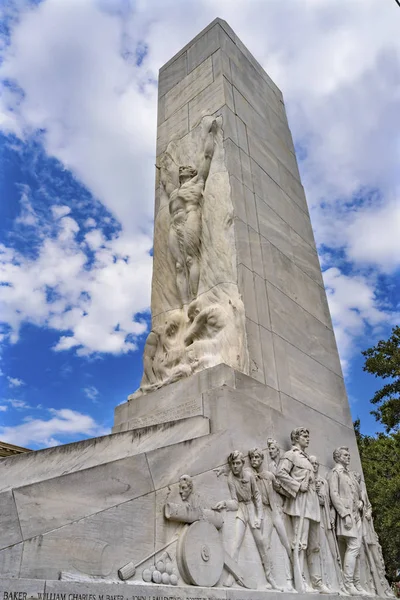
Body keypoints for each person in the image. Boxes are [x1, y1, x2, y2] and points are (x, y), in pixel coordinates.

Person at [161, 120, 218, 305]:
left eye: (185, 169)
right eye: (180, 170)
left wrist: (209, 132)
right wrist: (164, 163)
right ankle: (185, 306)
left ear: (191, 173)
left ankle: (195, 299)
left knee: (191, 259)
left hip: (190, 217)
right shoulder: (174, 192)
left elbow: (207, 156)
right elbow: (165, 181)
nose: (181, 170)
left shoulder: (197, 182)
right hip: (175, 223)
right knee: (179, 265)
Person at [213, 450, 280, 590]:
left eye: (238, 463)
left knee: (261, 543)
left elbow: (257, 496)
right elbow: (235, 502)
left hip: (252, 508)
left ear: (243, 464)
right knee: (236, 543)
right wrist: (225, 503)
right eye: (233, 464)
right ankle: (232, 574)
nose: (236, 466)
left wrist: (258, 516)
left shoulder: (249, 475)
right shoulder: (231, 478)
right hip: (241, 509)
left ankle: (270, 577)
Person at [276, 427, 330, 594]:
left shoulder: (306, 458)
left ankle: (317, 581)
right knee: (300, 544)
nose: (307, 438)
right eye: (304, 436)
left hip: (312, 506)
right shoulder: (290, 455)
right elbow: (280, 473)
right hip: (300, 504)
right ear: (296, 438)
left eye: (308, 436)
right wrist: (298, 486)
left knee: (314, 546)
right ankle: (301, 579)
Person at [248, 448, 294, 591]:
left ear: (262, 459)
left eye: (257, 457)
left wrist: (294, 493)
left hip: (275, 511)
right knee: (265, 544)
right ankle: (269, 578)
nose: (254, 460)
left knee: (286, 543)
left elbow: (280, 489)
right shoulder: (249, 475)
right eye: (252, 458)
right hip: (264, 513)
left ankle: (292, 579)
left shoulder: (268, 475)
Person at [327, 447, 366, 596]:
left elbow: (357, 493)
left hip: (356, 514)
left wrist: (361, 502)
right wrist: (344, 514)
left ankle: (355, 583)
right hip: (346, 515)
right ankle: (348, 583)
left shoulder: (349, 474)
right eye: (345, 455)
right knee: (354, 546)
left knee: (354, 549)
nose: (348, 457)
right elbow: (334, 494)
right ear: (337, 457)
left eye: (349, 455)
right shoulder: (335, 473)